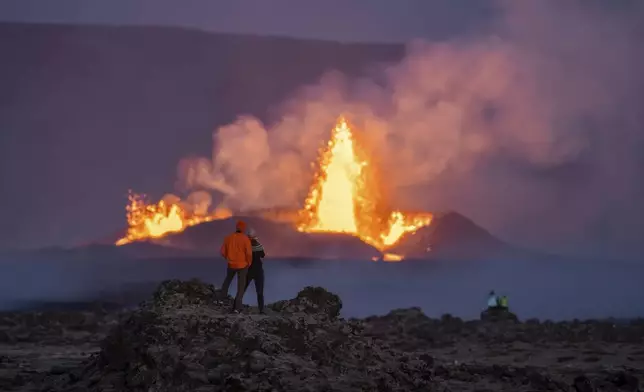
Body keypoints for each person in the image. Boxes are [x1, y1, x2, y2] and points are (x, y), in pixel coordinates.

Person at [220, 220, 252, 313]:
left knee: (227, 281)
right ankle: (237, 307)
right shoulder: (246, 239)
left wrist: (228, 257)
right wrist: (249, 263)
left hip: (231, 264)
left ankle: (221, 298)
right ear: (243, 228)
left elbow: (222, 251)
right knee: (241, 286)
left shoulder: (228, 238)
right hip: (242, 265)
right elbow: (249, 254)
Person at [244, 228, 266, 314]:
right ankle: (261, 310)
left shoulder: (246, 247)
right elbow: (263, 255)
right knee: (260, 292)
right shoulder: (259, 246)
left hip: (249, 271)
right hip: (258, 271)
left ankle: (236, 308)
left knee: (242, 290)